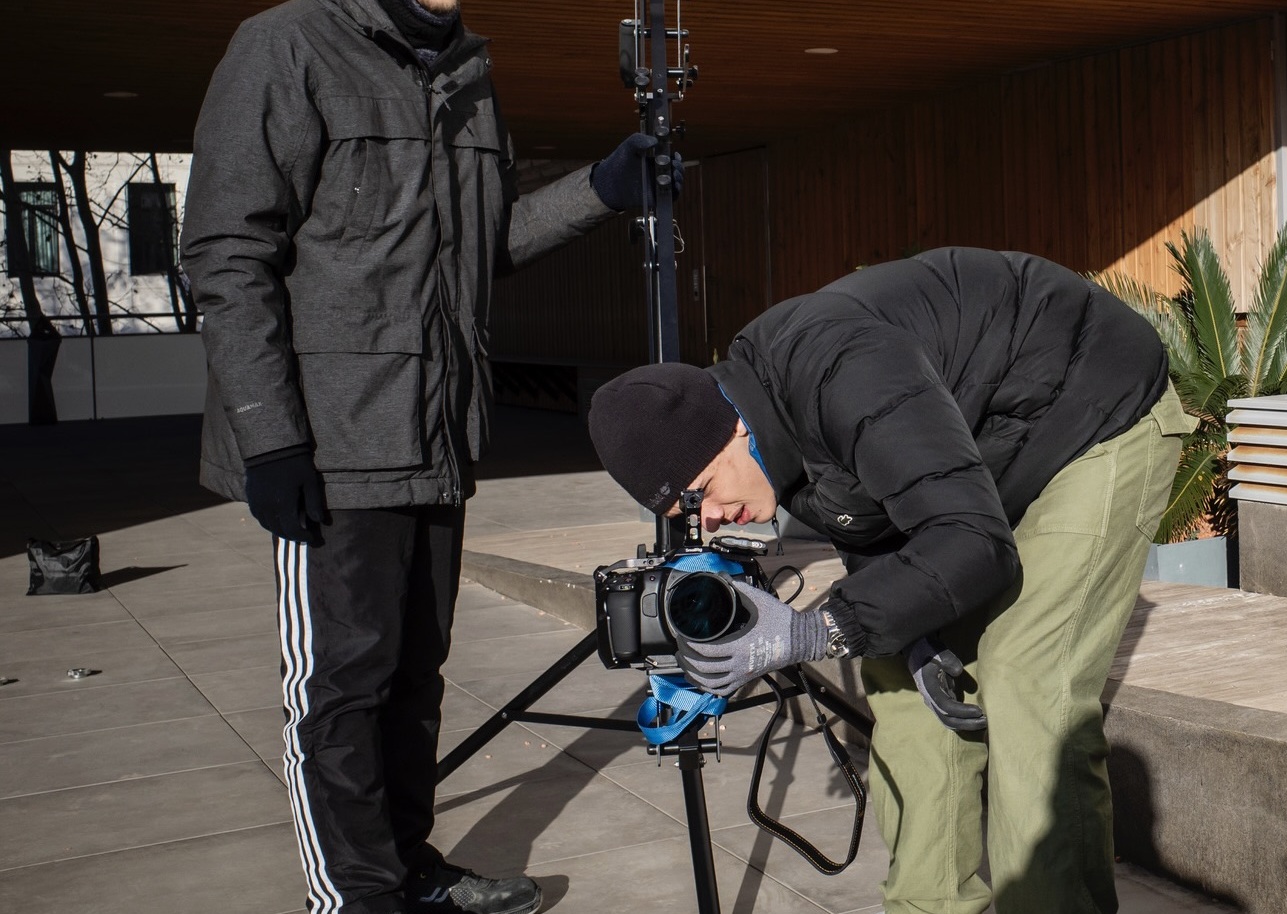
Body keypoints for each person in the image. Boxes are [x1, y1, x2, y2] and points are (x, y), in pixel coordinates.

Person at [181, 1, 679, 912]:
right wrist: (271, 435)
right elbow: (227, 249)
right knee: (346, 681)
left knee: (415, 673)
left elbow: (478, 251)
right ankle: (356, 895)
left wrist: (599, 189)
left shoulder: (465, 69)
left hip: (437, 430)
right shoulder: (290, 42)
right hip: (329, 439)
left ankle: (408, 869)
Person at [587, 247, 1196, 914]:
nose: (712, 518)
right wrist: (912, 636)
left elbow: (970, 541)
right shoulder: (769, 444)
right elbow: (877, 527)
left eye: (702, 493)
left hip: (1093, 410)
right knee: (899, 682)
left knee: (1028, 681)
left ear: (730, 430)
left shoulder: (841, 370)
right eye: (687, 516)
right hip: (987, 454)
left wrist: (813, 629)